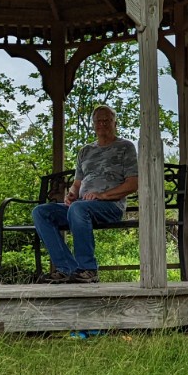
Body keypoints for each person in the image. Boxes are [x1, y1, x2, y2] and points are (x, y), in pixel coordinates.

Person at [31, 104, 138, 284]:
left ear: (115, 123)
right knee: (41, 212)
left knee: (79, 209)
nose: (102, 124)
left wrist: (102, 195)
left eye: (107, 120)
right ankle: (67, 269)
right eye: (98, 121)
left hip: (110, 207)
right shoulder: (85, 151)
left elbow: (133, 183)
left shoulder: (125, 147)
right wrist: (71, 194)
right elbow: (77, 183)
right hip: (81, 208)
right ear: (93, 124)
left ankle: (88, 269)